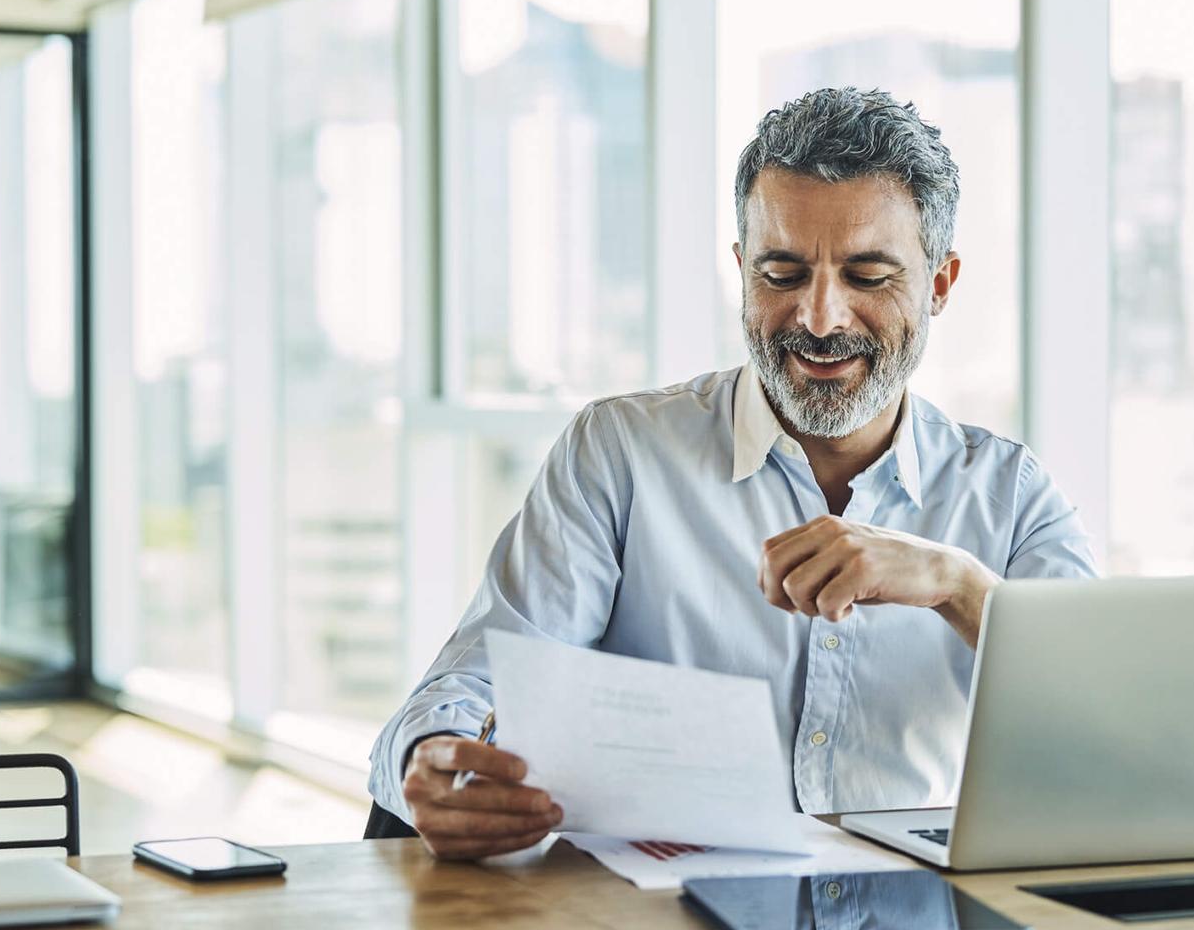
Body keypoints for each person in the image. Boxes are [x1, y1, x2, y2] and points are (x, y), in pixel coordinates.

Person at [368, 87, 1096, 859]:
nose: (820, 319)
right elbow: (481, 679)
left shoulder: (1011, 498)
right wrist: (434, 761)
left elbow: (1112, 722)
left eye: (868, 276)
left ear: (940, 285)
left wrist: (956, 584)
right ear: (742, 270)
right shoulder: (622, 454)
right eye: (782, 274)